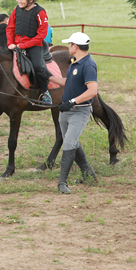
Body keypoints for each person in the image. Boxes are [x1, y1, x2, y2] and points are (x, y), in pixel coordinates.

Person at [47, 32, 98, 194]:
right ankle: (88, 172)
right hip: (66, 111)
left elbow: (92, 91)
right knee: (73, 142)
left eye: (69, 44)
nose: (67, 47)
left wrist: (72, 101)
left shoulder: (88, 65)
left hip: (79, 111)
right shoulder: (75, 63)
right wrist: (50, 77)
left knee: (68, 143)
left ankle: (62, 182)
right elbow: (69, 81)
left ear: (75, 46)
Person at [6, 0, 52, 105]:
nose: (18, 1)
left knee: (38, 66)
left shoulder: (40, 12)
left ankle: (45, 92)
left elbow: (41, 35)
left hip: (33, 46)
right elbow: (10, 28)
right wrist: (10, 43)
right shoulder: (16, 10)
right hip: (14, 45)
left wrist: (23, 45)